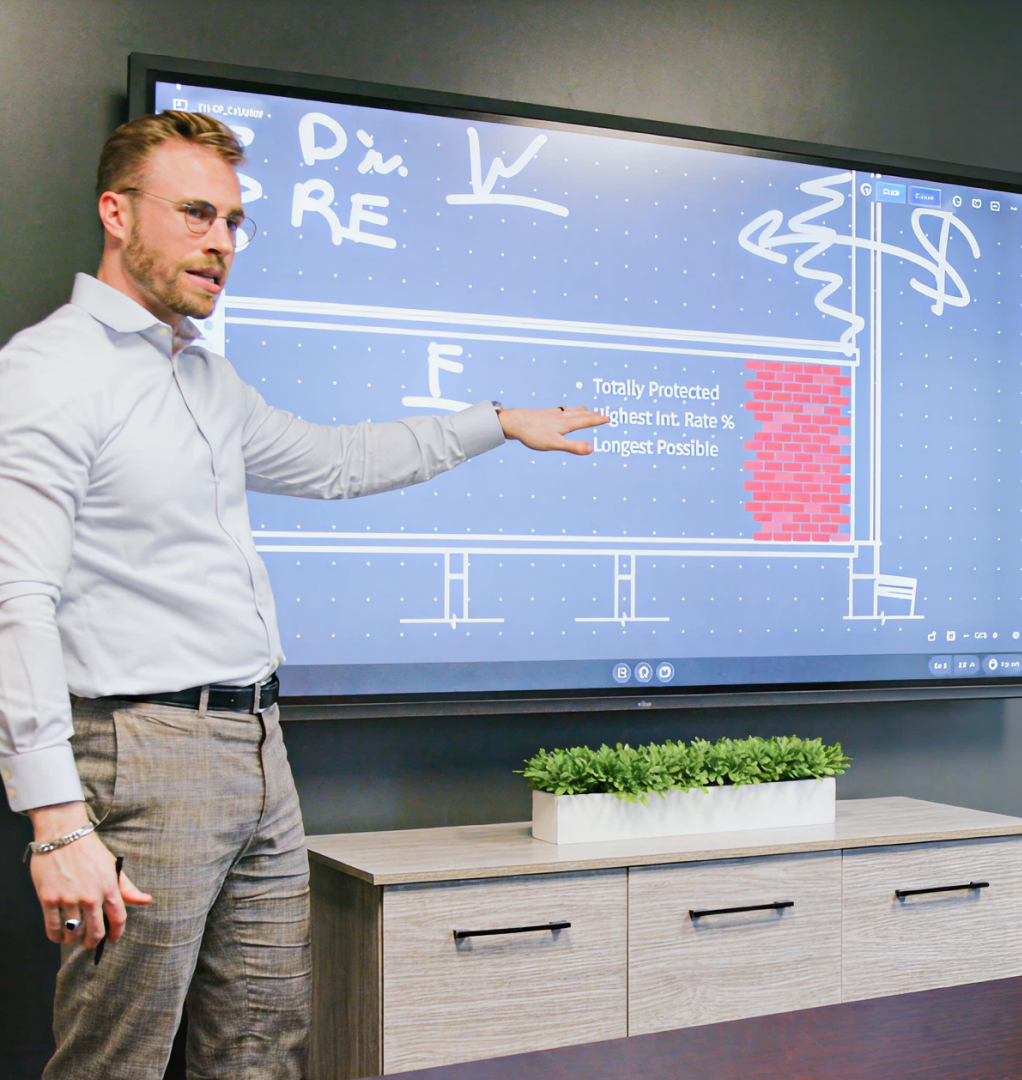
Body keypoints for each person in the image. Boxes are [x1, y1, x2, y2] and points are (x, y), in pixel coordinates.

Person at [0, 111, 607, 1079]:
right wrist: (56, 826)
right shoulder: (50, 370)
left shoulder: (206, 378)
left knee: (264, 1052)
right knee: (116, 1063)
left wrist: (492, 422)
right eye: (196, 213)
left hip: (259, 748)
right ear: (116, 213)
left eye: (234, 221)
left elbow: (336, 462)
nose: (221, 241)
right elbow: (15, 599)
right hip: (143, 751)